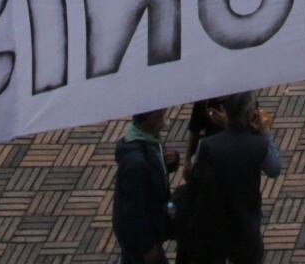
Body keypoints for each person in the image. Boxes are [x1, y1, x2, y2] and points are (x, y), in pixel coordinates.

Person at [174, 94, 284, 264]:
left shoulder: (208, 145)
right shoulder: (257, 144)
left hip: (215, 220)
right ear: (248, 114)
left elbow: (196, 176)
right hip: (246, 221)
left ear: (226, 111)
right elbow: (274, 169)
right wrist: (264, 134)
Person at [113, 110, 177, 264]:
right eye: (160, 113)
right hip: (140, 245)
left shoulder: (150, 140)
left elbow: (155, 174)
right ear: (150, 118)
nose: (164, 112)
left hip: (147, 235)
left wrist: (173, 161)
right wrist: (147, 247)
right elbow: (134, 210)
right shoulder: (136, 164)